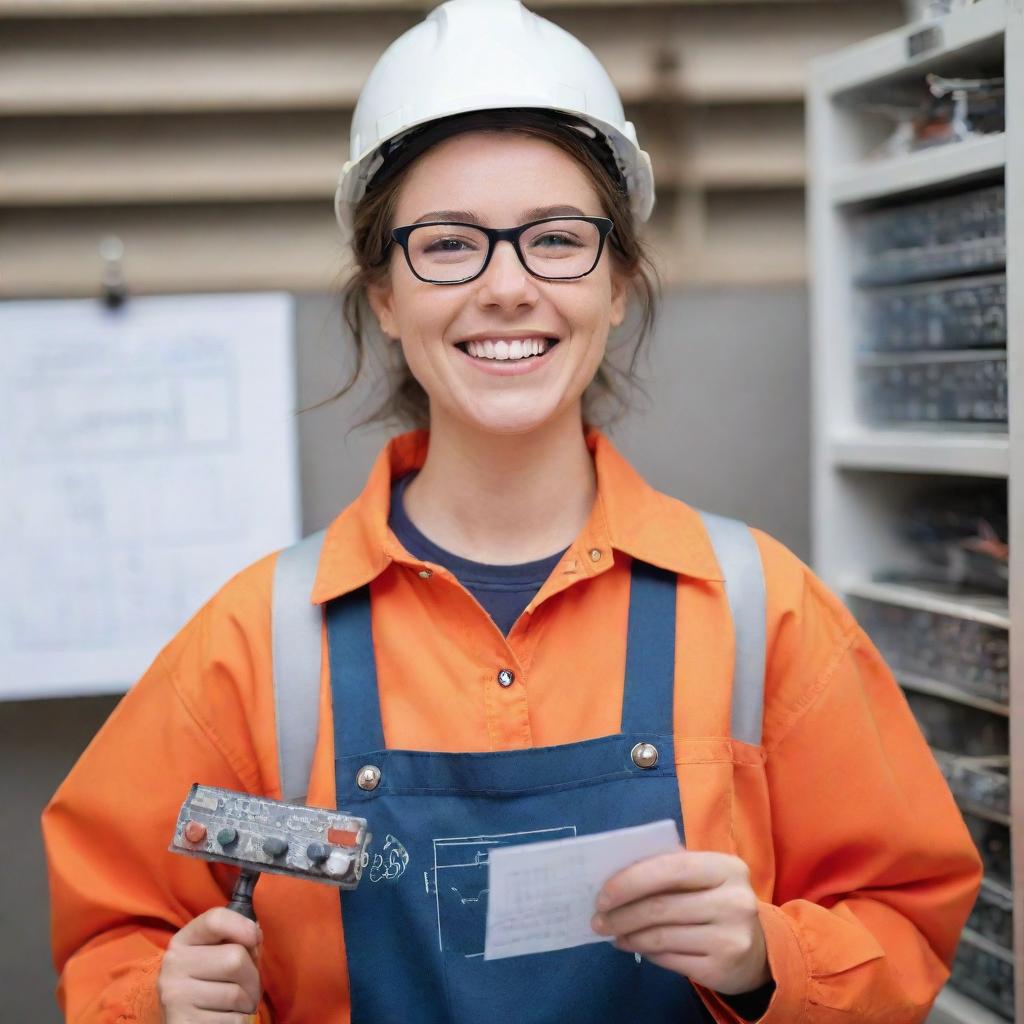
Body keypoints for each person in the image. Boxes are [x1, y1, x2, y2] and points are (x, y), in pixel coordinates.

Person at [43, 1, 981, 1022]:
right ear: (384, 294)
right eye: (448, 245)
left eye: (555, 239)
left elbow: (907, 917)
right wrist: (157, 1000)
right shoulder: (258, 642)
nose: (506, 286)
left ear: (618, 279)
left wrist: (769, 957)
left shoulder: (760, 610)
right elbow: (113, 928)